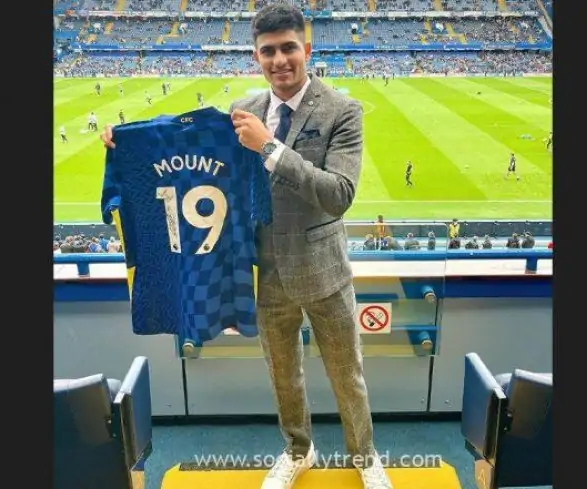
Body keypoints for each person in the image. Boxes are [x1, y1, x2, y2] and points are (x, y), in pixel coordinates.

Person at [101, 4, 390, 489]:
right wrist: (126, 140)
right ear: (256, 55)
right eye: (268, 51)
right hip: (262, 272)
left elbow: (338, 195)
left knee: (347, 376)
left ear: (307, 50)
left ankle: (365, 459)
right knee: (283, 376)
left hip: (323, 270)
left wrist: (271, 149)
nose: (280, 60)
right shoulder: (247, 109)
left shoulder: (343, 111)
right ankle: (299, 450)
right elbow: (185, 135)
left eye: (288, 49)